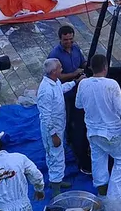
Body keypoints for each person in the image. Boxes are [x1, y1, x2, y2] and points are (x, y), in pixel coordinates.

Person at [76, 54, 121, 199]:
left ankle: (101, 191)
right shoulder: (111, 85)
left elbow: (78, 105)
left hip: (93, 132)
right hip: (113, 133)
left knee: (98, 159)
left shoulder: (83, 84)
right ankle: (113, 200)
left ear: (91, 68)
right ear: (105, 67)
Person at [47, 25, 92, 174]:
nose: (68, 42)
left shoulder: (76, 48)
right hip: (65, 93)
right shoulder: (54, 55)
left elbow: (83, 63)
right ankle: (67, 140)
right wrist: (74, 74)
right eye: (66, 40)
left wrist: (89, 67)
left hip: (79, 88)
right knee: (66, 117)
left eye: (71, 39)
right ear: (60, 39)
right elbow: (57, 77)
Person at [37, 57, 82, 195]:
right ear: (53, 71)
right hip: (53, 130)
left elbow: (61, 89)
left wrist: (74, 82)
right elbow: (46, 116)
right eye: (60, 67)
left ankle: (56, 180)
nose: (62, 69)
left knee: (57, 155)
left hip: (58, 126)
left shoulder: (54, 82)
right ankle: (56, 189)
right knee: (56, 156)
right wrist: (54, 135)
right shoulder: (45, 91)